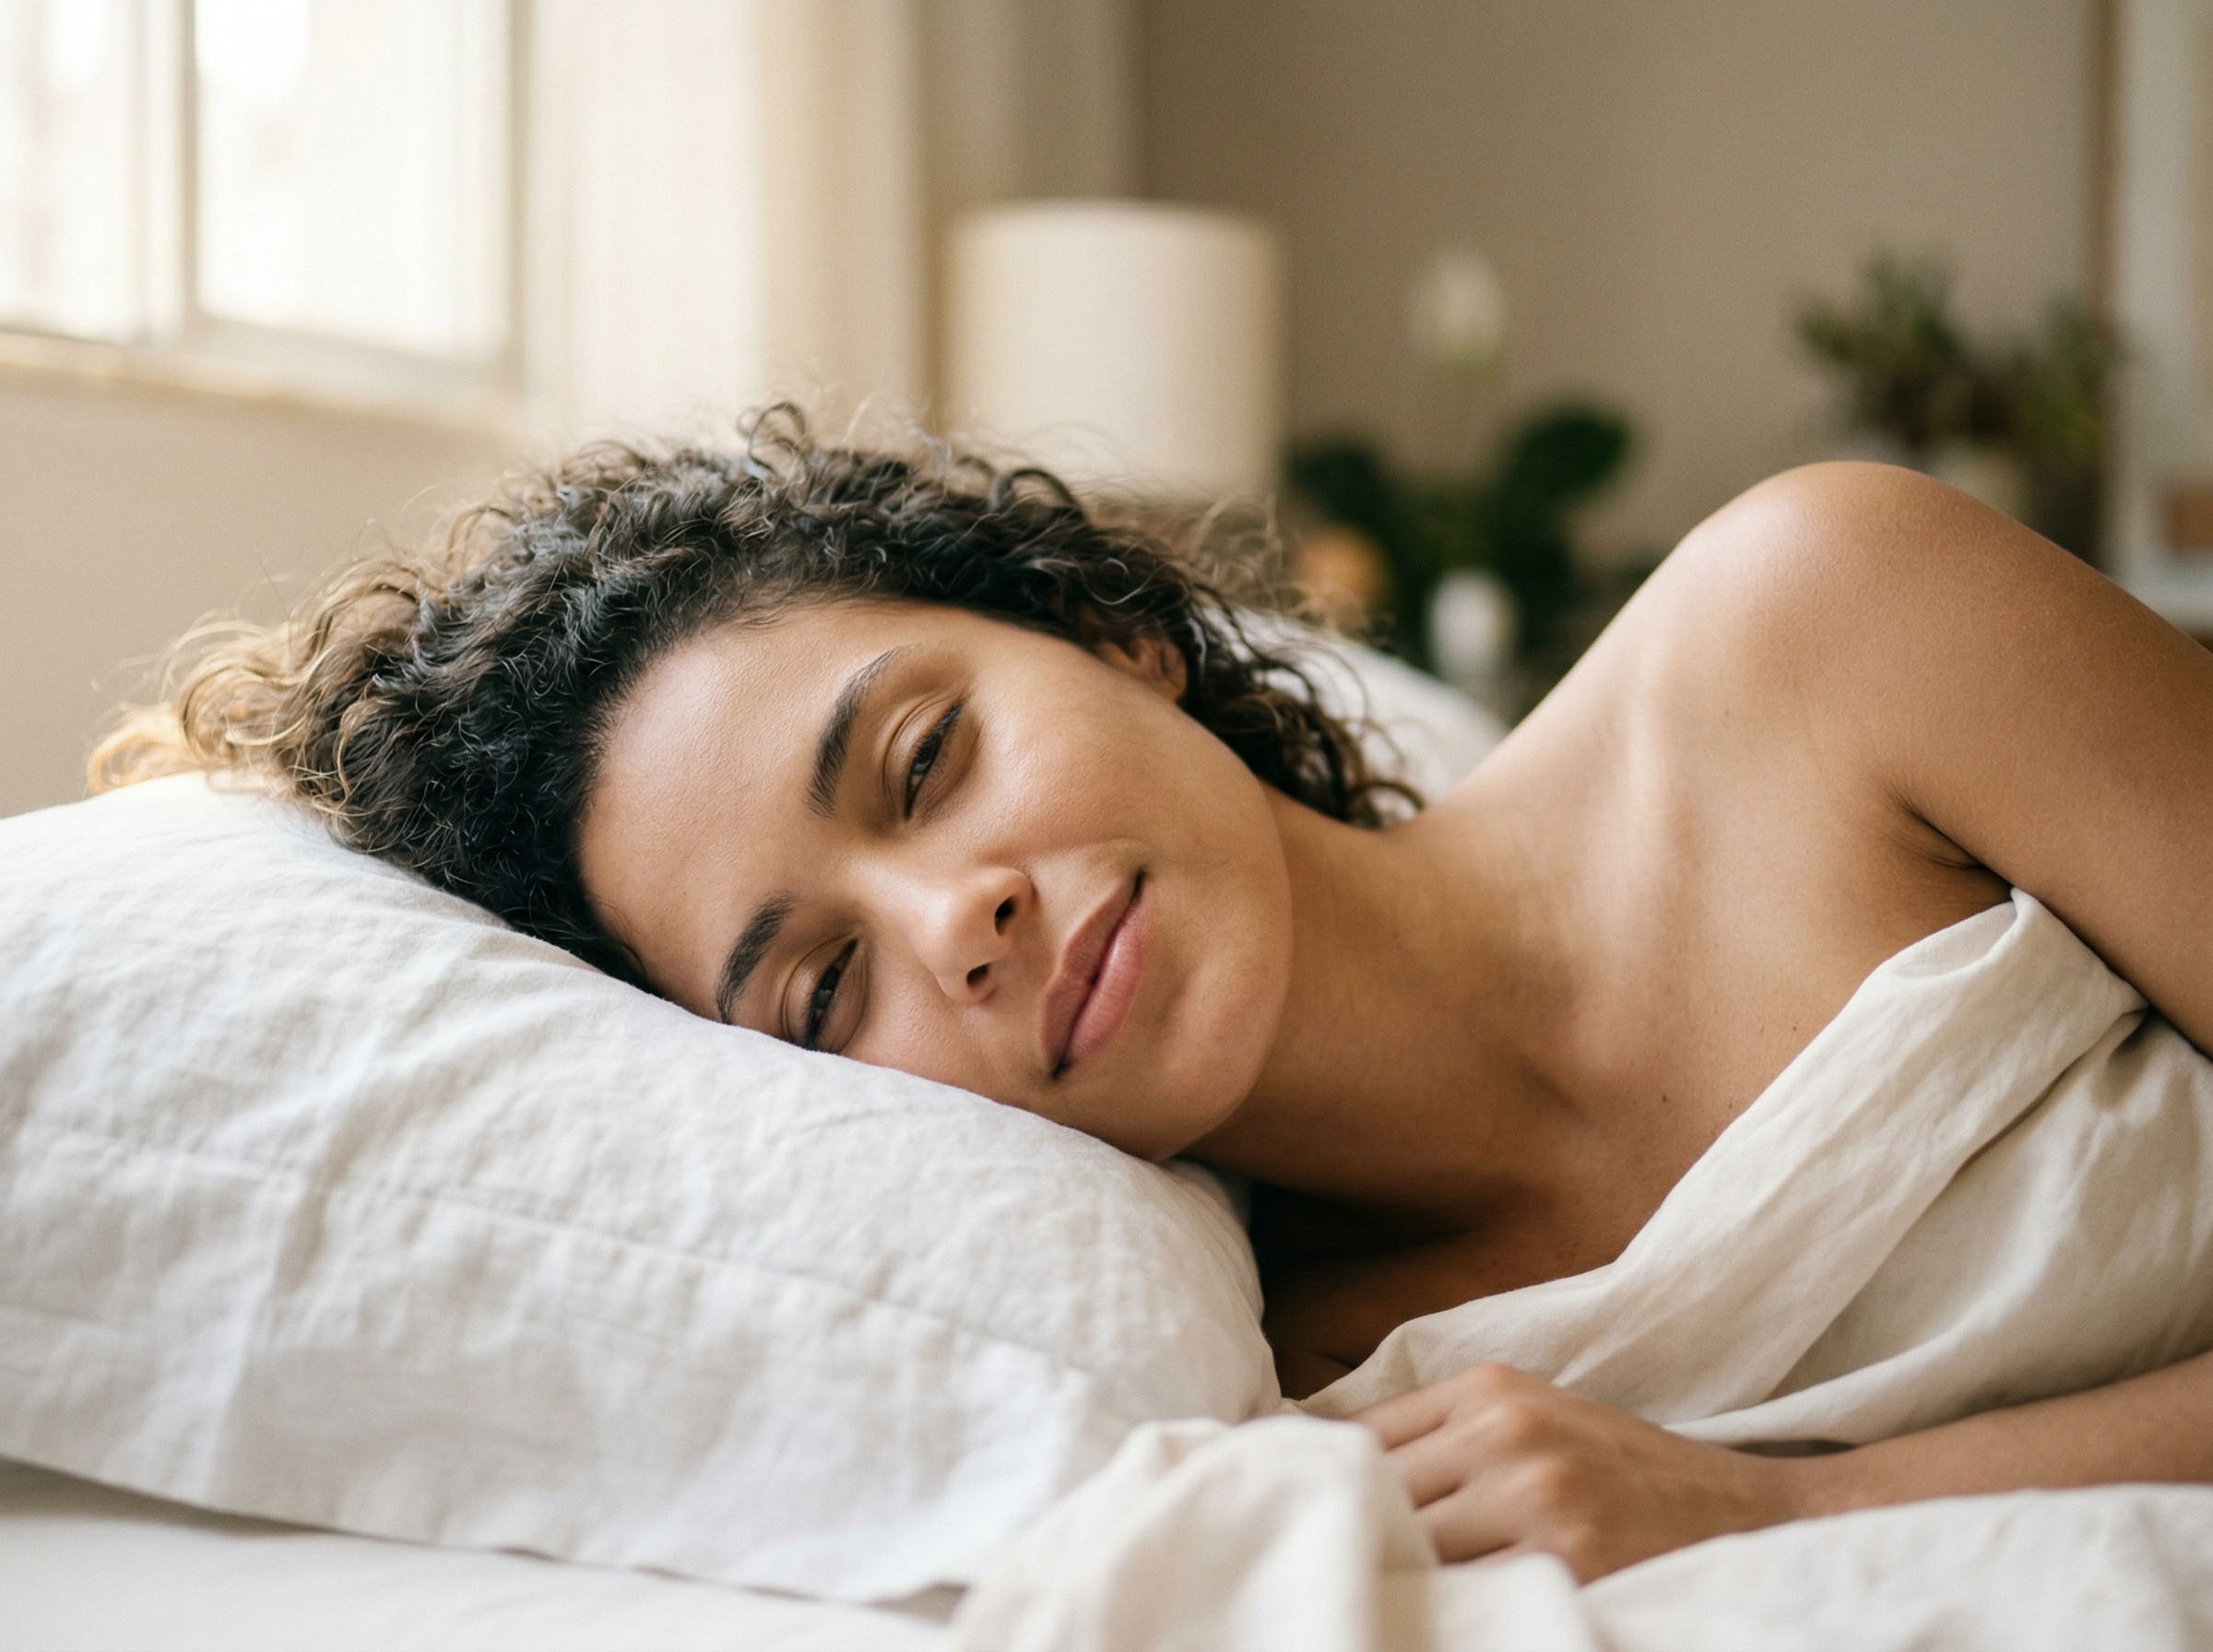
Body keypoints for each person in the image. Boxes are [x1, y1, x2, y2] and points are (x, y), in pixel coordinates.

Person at [97, 406, 2213, 1582]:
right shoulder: (1278, 1398)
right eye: (825, 989)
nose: (962, 922)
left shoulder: (1817, 631)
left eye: (924, 761)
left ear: (1118, 631)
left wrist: (1790, 1507)